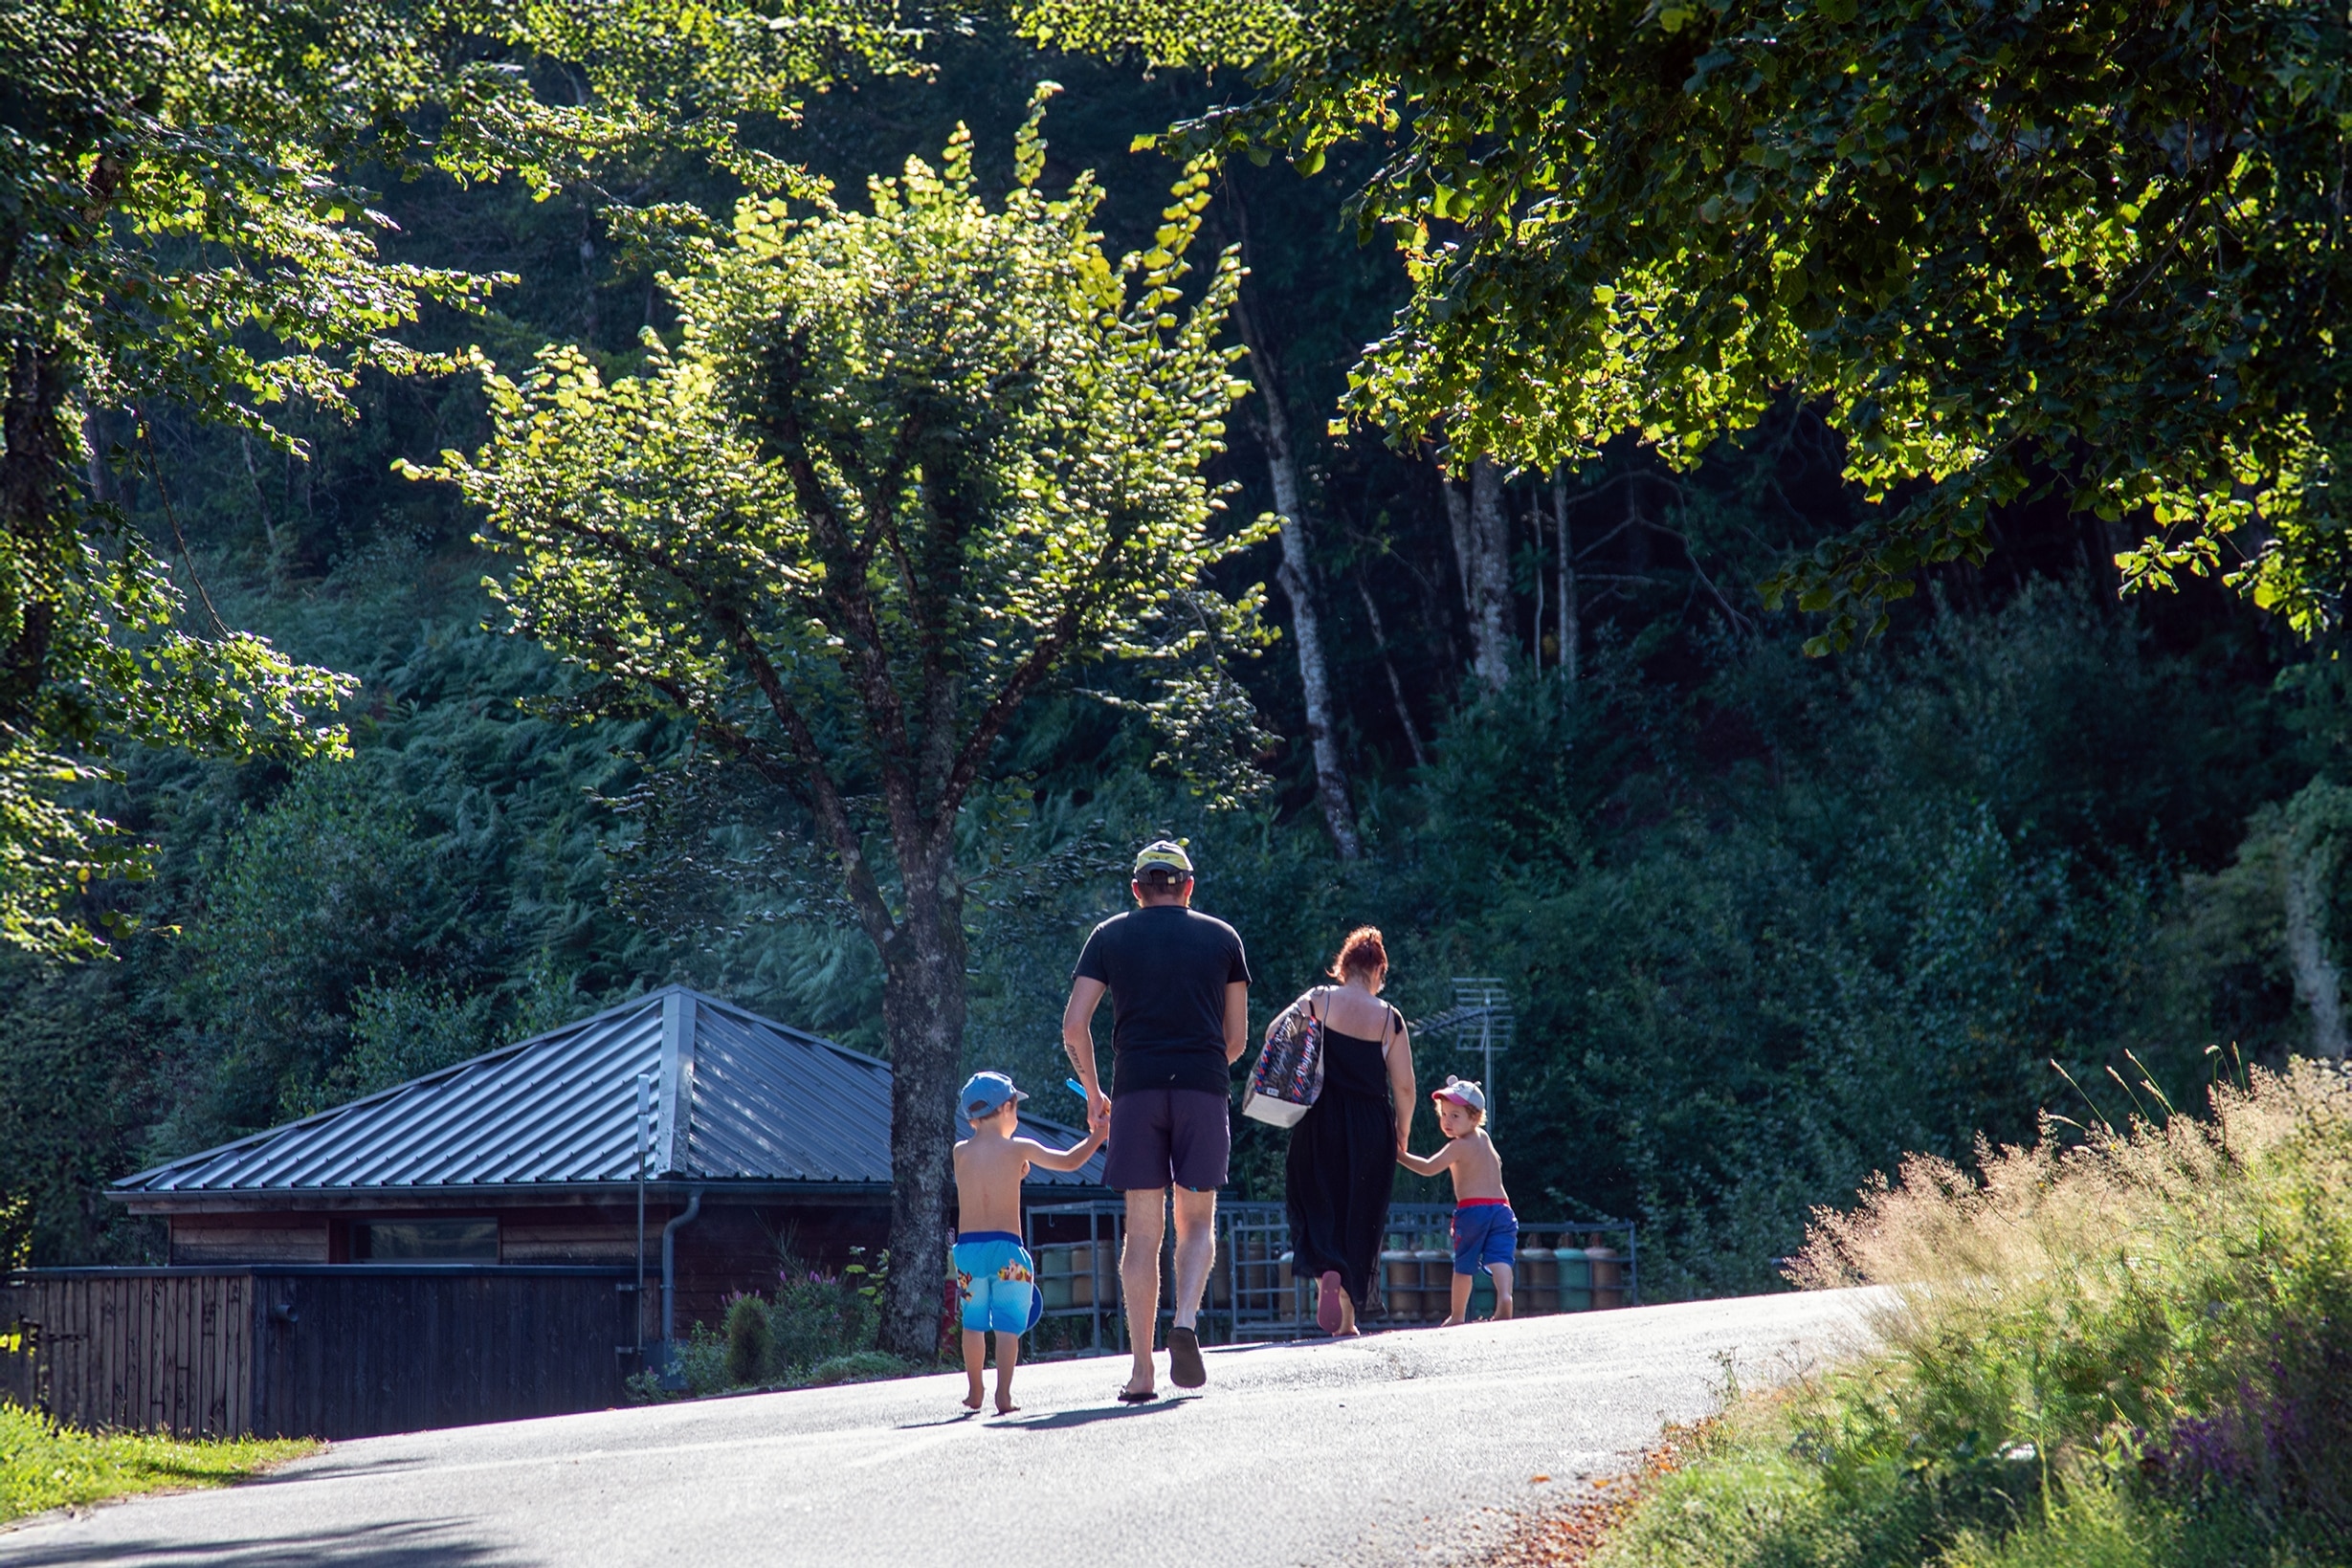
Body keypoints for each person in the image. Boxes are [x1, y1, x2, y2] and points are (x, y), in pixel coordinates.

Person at [1062, 840, 1252, 1401]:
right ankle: (1186, 1322)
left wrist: (1097, 1093)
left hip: (1136, 1093)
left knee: (1142, 1235)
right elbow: (1236, 1040)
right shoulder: (1223, 938)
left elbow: (1075, 1026)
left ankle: (1143, 1370)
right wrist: (1200, 1068)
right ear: (1188, 887)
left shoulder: (1109, 935)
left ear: (1137, 889)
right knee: (1196, 1223)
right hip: (1201, 1089)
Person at [1280, 926, 1415, 1337]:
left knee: (1317, 1202)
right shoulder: (1389, 1018)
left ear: (1344, 966)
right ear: (1379, 971)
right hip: (1371, 1126)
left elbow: (1274, 1034)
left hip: (1320, 1118)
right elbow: (1405, 1087)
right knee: (1360, 1215)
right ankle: (1349, 1319)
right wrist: (1402, 1132)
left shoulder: (1320, 999)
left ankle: (1326, 1273)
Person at [951, 1071, 1109, 1414]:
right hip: (1007, 1250)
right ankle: (1003, 1395)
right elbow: (1069, 1161)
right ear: (1008, 1107)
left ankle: (975, 1389)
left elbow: (982, 1184)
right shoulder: (1018, 1148)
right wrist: (1099, 1135)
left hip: (967, 1252)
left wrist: (1013, 1174)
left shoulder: (960, 1152)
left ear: (971, 1116)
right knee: (1008, 1325)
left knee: (973, 1323)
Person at [1397, 1077, 1515, 1326]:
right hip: (1503, 1209)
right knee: (1500, 1258)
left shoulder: (1458, 1146)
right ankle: (1505, 1296)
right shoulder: (1484, 1138)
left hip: (1473, 1210)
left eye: (1455, 1116)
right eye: (1444, 1114)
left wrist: (1399, 1156)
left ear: (1475, 1117)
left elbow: (1429, 1168)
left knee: (1464, 1263)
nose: (1447, 1122)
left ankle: (1458, 1315)